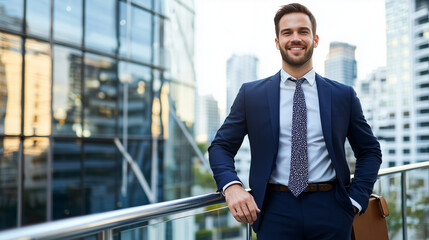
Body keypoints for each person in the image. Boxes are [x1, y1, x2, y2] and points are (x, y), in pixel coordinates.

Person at [208, 3, 382, 239]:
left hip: (333, 209)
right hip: (273, 210)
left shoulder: (343, 95)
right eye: (287, 32)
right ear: (277, 42)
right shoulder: (252, 94)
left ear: (315, 39)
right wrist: (232, 186)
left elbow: (370, 150)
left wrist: (356, 200)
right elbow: (221, 146)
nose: (295, 38)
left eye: (303, 31)